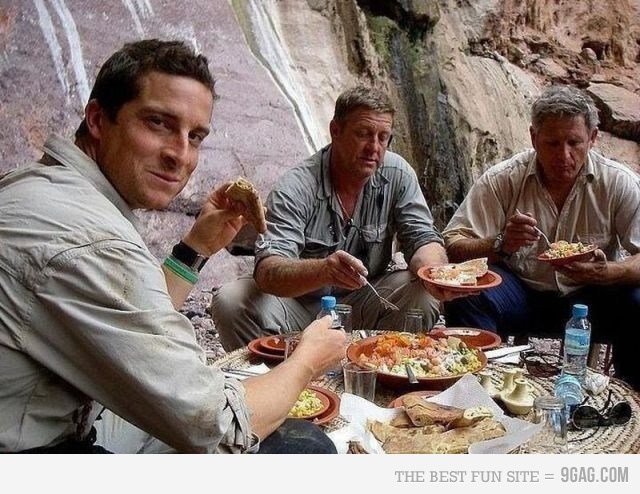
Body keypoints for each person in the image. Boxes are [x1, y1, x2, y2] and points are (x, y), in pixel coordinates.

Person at [0, 39, 347, 453]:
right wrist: (308, 359)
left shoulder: (43, 188)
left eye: (195, 136)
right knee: (300, 445)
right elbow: (217, 427)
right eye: (158, 123)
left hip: (55, 417)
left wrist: (195, 248)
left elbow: (129, 325)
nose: (180, 155)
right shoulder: (89, 238)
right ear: (97, 119)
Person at [212, 85, 460, 351]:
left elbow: (422, 237)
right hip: (297, 309)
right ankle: (278, 373)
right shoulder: (295, 187)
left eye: (383, 137)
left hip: (367, 301)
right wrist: (323, 270)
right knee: (231, 301)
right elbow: (268, 270)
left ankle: (385, 365)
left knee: (421, 291)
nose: (374, 147)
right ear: (335, 131)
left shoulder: (398, 173)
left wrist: (437, 274)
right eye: (363, 134)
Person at [442, 85, 640, 390]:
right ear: (534, 138)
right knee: (468, 292)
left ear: (593, 138)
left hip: (593, 296)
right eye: (552, 143)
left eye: (574, 142)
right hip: (521, 292)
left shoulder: (617, 182)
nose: (564, 155)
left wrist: (608, 272)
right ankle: (474, 390)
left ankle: (631, 399)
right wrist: (500, 243)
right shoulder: (504, 178)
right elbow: (453, 244)